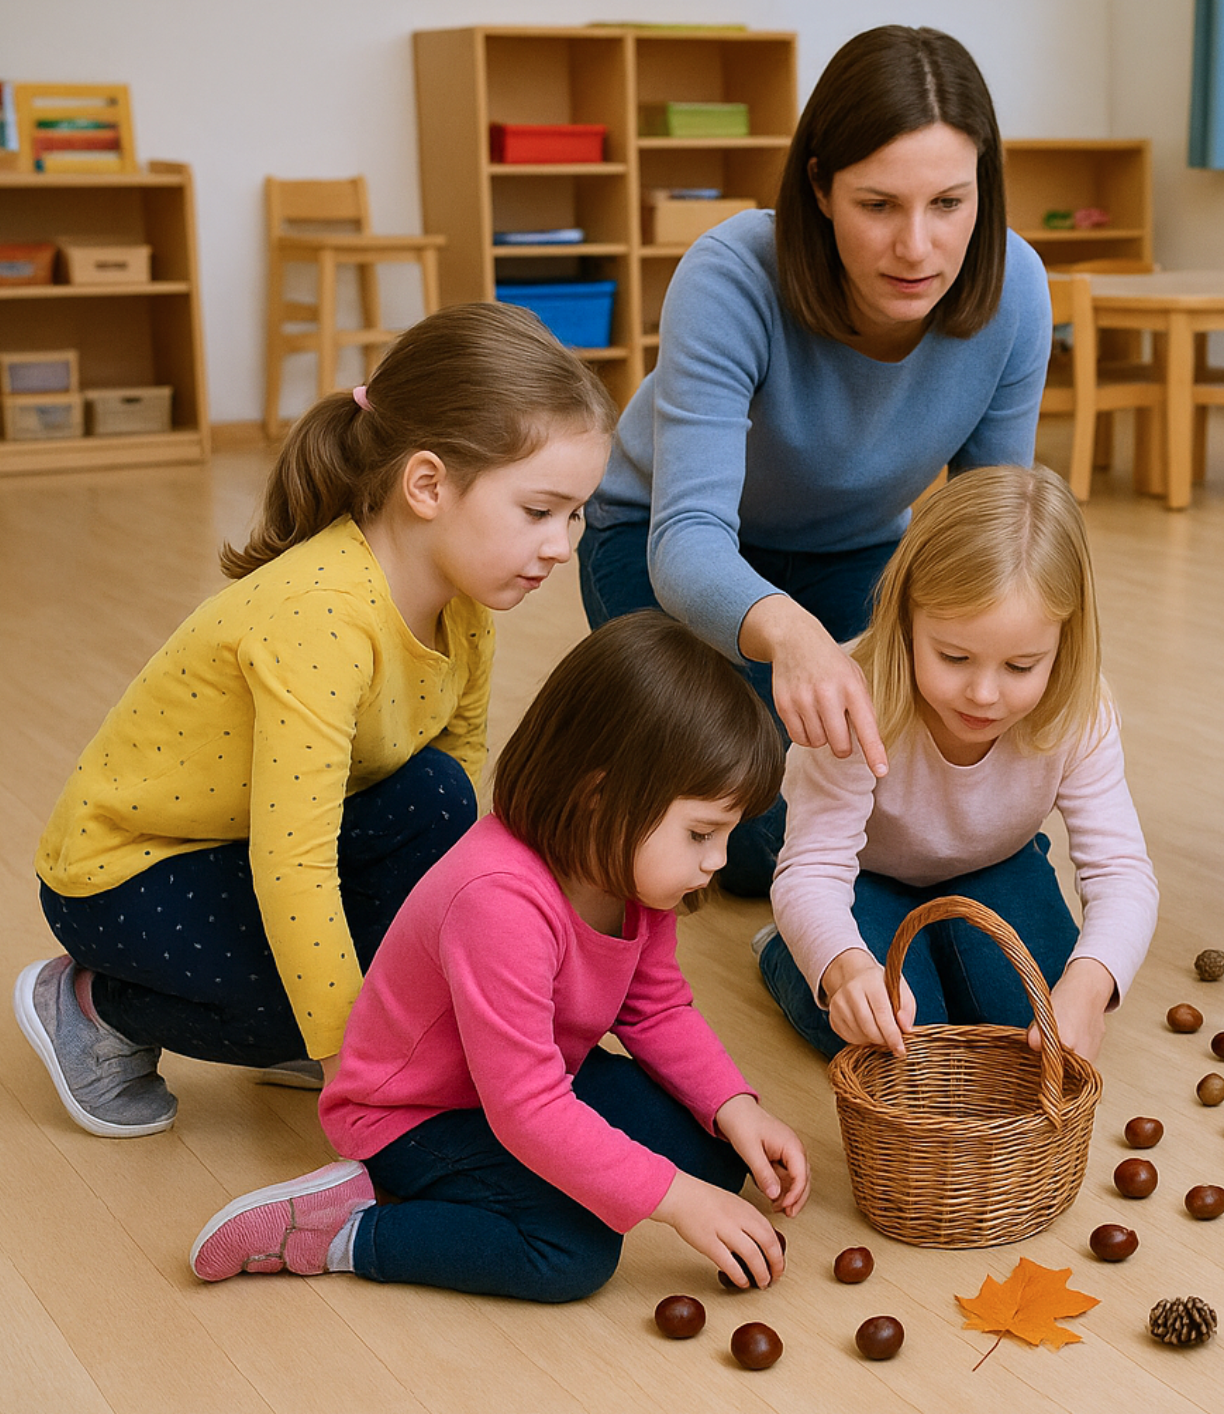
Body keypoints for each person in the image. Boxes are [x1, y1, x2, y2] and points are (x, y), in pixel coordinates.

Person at [15, 304, 617, 1139]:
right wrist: (355, 1063)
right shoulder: (320, 617)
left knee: (438, 798)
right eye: (539, 511)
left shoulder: (467, 602)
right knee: (316, 1007)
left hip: (253, 842)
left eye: (577, 514)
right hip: (123, 873)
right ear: (429, 485)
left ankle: (300, 1011)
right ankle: (90, 1004)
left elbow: (458, 805)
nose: (562, 544)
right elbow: (291, 861)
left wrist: (504, 966)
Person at [190, 614, 808, 1301]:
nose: (718, 862)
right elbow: (528, 1110)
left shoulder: (631, 872)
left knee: (713, 1155)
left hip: (529, 1083)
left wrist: (735, 1107)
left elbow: (655, 1007)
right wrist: (678, 1202)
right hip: (414, 1115)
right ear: (599, 798)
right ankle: (346, 1229)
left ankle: (483, 1190)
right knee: (573, 1250)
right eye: (701, 833)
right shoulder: (498, 900)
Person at [578, 25, 1052, 897]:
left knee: (889, 790)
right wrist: (791, 634)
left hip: (854, 552)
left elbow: (992, 536)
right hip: (657, 544)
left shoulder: (1016, 287)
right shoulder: (732, 273)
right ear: (820, 189)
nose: (917, 247)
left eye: (949, 203)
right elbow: (686, 540)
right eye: (878, 205)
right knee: (756, 832)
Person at [759, 464, 1155, 1062]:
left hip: (995, 865)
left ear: (1064, 645)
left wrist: (1090, 984)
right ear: (907, 623)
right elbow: (813, 869)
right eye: (954, 656)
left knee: (1030, 1027)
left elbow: (1122, 871)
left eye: (1021, 666)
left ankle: (938, 943)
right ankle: (782, 952)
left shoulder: (1081, 709)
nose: (984, 695)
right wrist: (843, 969)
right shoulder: (853, 695)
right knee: (898, 1037)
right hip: (862, 876)